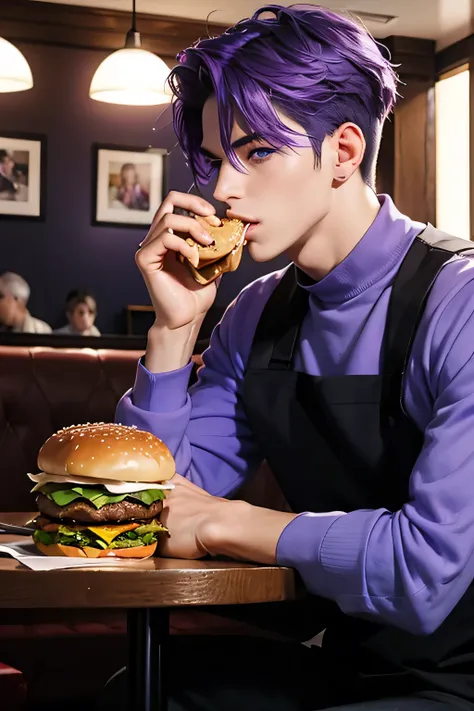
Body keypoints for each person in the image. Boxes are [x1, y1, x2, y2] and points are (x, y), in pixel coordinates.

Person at [103, 5, 474, 711]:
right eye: (215, 159)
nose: (223, 190)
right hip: (348, 657)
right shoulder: (253, 314)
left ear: (343, 150)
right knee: (144, 696)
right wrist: (175, 332)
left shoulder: (461, 302)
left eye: (258, 151)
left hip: (459, 680)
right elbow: (150, 509)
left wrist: (228, 521)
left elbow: (426, 573)